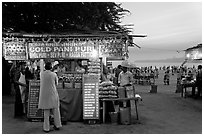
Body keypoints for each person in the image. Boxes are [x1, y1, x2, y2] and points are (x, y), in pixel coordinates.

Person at [38, 62, 62, 133]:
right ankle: (57, 125)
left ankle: (46, 128)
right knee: (56, 110)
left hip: (44, 95)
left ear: (45, 67)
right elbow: (56, 83)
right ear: (51, 67)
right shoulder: (54, 74)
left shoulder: (41, 74)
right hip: (52, 94)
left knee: (46, 112)